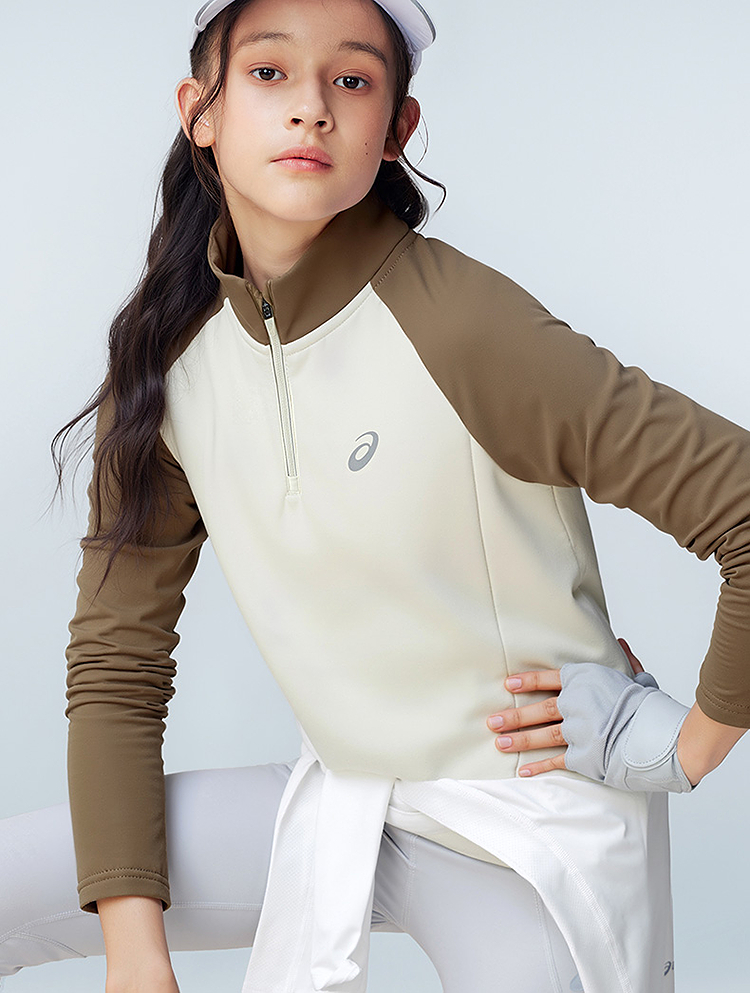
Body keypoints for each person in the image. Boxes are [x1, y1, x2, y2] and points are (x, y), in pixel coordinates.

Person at [1, 1, 748, 991]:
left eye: (351, 80)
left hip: (531, 833)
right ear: (200, 112)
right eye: (269, 73)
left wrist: (691, 744)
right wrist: (136, 960)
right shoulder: (164, 366)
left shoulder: (462, 325)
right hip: (345, 799)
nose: (310, 107)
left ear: (396, 129)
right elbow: (117, 666)